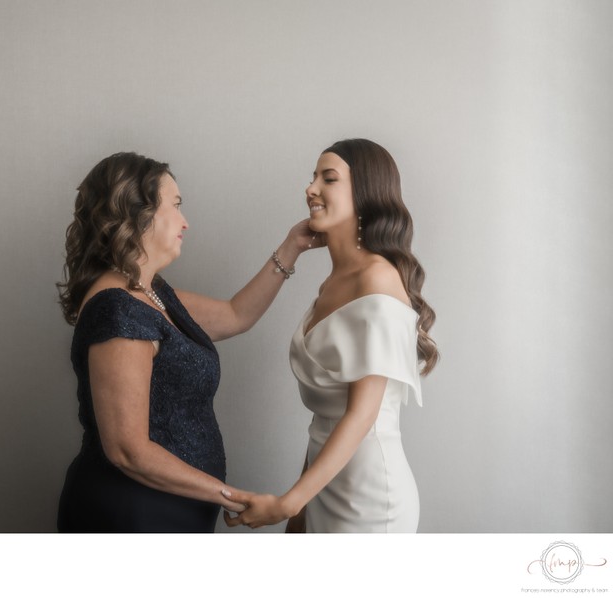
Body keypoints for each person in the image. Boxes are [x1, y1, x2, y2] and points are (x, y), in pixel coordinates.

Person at [56, 151, 319, 532]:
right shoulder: (116, 310)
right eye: (176, 207)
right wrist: (230, 495)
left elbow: (235, 315)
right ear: (139, 212)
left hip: (171, 511)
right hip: (131, 515)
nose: (186, 222)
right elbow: (127, 450)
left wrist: (292, 246)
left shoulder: (150, 291)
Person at [224, 138, 439, 532]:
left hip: (371, 498)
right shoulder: (330, 284)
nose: (311, 189)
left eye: (329, 178)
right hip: (324, 489)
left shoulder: (377, 277)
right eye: (312, 178)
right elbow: (327, 421)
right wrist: (302, 513)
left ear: (365, 193)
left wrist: (289, 503)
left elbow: (361, 414)